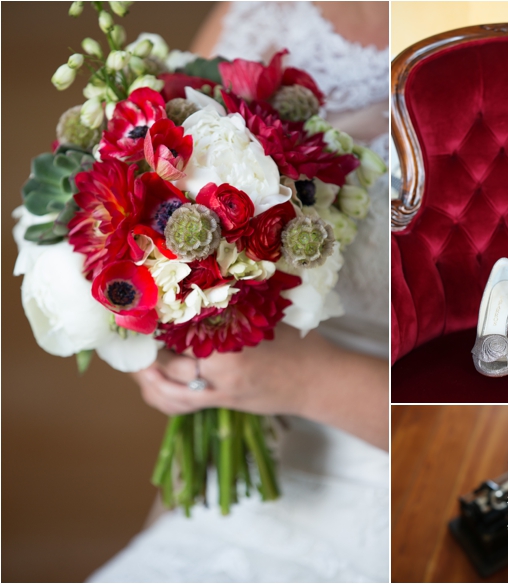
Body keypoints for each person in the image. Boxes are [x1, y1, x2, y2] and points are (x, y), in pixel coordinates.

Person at [89, 2, 390, 582]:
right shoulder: (256, 13)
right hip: (244, 474)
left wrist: (310, 381)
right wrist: (156, 331)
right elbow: (134, 186)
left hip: (408, 481)